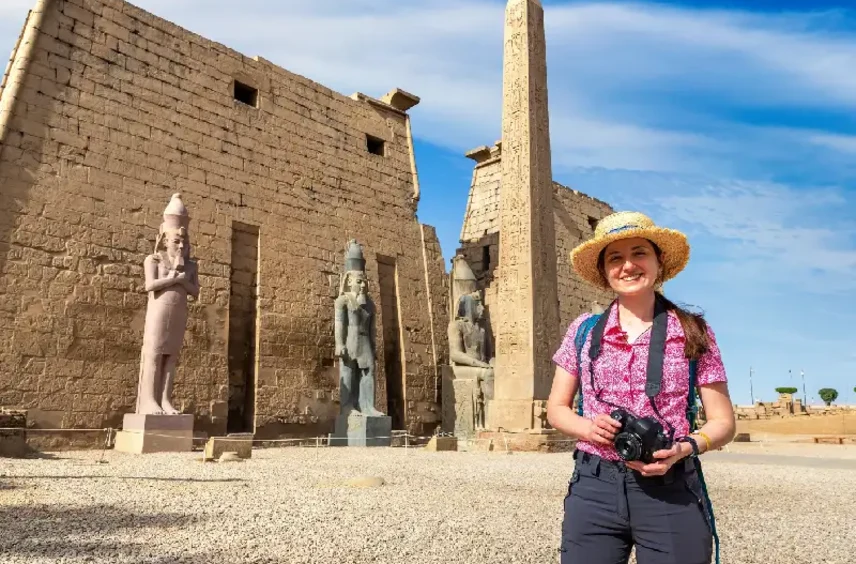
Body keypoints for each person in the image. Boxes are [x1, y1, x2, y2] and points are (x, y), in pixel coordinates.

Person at [546, 211, 736, 564]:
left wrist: (684, 448)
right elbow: (556, 408)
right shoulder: (583, 331)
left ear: (658, 261)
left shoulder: (694, 332)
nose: (628, 266)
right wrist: (589, 427)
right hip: (595, 486)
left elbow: (723, 422)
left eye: (639, 253)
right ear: (604, 271)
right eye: (615, 258)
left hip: (671, 489)